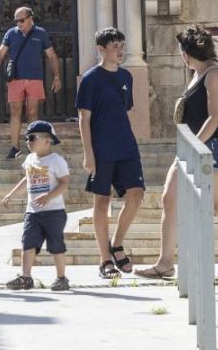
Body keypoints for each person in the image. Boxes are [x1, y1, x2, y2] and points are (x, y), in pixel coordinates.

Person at [137, 25, 218, 281]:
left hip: (216, 145)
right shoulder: (196, 74)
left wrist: (193, 146)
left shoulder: (214, 75)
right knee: (169, 198)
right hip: (192, 145)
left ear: (187, 52)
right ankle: (165, 263)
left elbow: (215, 118)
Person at [76, 27, 145, 279]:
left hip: (126, 146)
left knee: (137, 195)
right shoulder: (91, 79)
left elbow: (124, 110)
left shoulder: (127, 76)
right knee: (101, 201)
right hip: (101, 149)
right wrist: (88, 154)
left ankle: (116, 244)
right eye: (114, 46)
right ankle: (104, 259)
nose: (119, 50)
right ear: (101, 49)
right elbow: (83, 119)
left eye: (121, 45)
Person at [2, 120, 70, 291]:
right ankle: (26, 277)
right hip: (33, 212)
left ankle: (61, 278)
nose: (28, 142)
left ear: (47, 141)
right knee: (28, 243)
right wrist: (12, 194)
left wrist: (49, 196)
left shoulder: (56, 161)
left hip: (54, 212)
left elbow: (64, 183)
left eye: (32, 138)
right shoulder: (30, 159)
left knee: (56, 245)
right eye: (26, 138)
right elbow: (27, 179)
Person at [0, 7, 61, 159]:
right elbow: (0, 54)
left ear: (30, 18)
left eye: (21, 20)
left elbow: (52, 56)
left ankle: (32, 147)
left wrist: (56, 77)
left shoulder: (40, 33)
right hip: (15, 79)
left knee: (33, 112)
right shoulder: (11, 33)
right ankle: (14, 147)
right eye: (16, 21)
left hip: (35, 78)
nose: (19, 23)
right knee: (15, 111)